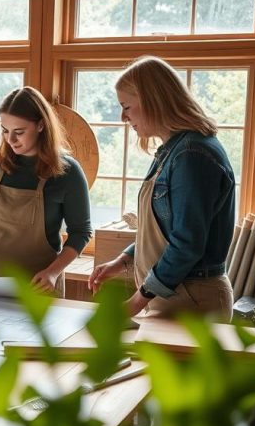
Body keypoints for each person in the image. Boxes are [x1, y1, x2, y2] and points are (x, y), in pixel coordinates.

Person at [88, 56, 236, 320]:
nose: (123, 117)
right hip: (174, 295)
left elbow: (186, 245)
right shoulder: (173, 150)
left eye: (127, 107)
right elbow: (164, 231)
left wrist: (134, 303)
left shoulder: (192, 155)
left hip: (194, 299)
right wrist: (123, 260)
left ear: (152, 102)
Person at [0, 86, 92, 295]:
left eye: (19, 132)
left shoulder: (67, 172)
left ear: (41, 125)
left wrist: (53, 272)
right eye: (5, 131)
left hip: (38, 288)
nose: (10, 140)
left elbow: (81, 232)